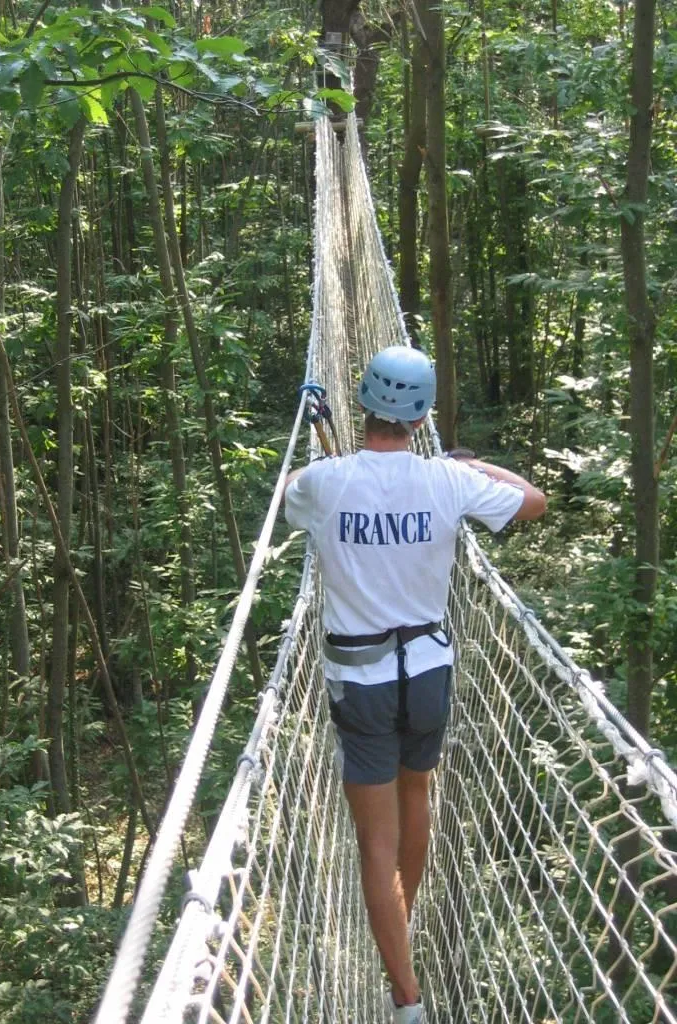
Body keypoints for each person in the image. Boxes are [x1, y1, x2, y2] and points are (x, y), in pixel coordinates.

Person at [284, 346, 546, 1024]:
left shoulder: (323, 480)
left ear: (363, 405)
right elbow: (533, 502)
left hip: (360, 680)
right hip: (428, 671)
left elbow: (296, 507)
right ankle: (400, 922)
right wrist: (467, 464)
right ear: (423, 415)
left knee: (374, 842)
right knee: (418, 790)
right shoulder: (447, 483)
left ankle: (405, 997)